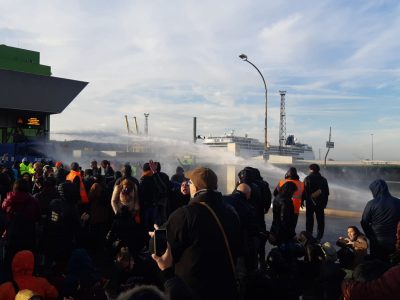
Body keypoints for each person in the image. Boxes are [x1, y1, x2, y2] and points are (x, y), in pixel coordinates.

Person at [165, 166, 241, 300]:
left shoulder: (185, 215)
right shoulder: (231, 212)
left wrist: (156, 236)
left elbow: (165, 249)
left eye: (190, 183)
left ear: (195, 188)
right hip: (226, 289)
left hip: (192, 291)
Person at [361, 179, 400, 261]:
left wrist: (370, 236)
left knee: (376, 263)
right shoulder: (398, 202)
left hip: (376, 240)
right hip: (392, 240)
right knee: (390, 262)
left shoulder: (371, 203)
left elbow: (364, 222)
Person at [303, 163, 329, 241]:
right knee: (320, 220)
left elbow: (304, 192)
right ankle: (319, 237)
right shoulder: (323, 179)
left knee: (309, 220)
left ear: (311, 170)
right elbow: (327, 193)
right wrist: (325, 203)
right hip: (320, 203)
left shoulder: (307, 178)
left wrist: (302, 201)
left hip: (310, 202)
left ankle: (309, 236)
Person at [269, 181, 297, 246]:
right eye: (293, 192)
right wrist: (292, 233)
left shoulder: (277, 197)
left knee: (279, 248)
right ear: (289, 191)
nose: (293, 194)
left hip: (275, 228)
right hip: (283, 232)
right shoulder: (286, 201)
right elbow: (284, 219)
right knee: (285, 250)